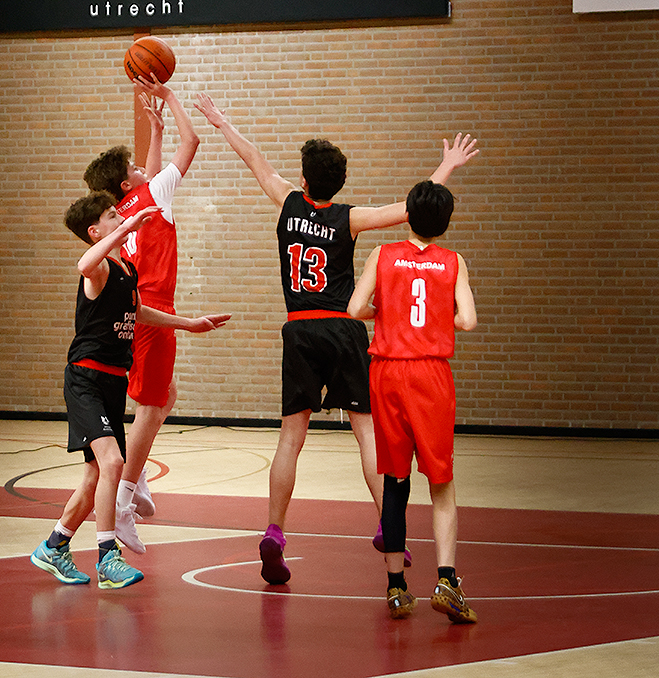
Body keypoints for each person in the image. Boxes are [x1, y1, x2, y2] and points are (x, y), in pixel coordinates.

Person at [192, 92, 477, 585]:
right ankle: (387, 527)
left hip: (299, 328)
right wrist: (446, 166)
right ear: (340, 183)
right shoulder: (349, 217)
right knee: (366, 432)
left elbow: (254, 158)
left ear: (303, 180)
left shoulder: (286, 201)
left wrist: (221, 122)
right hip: (344, 328)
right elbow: (410, 210)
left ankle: (275, 530)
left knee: (290, 438)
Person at [30, 193, 230, 589]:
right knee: (113, 463)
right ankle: (108, 556)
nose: (121, 218)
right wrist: (129, 226)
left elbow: (136, 312)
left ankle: (54, 546)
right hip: (86, 379)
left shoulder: (126, 269)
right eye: (112, 216)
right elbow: (83, 264)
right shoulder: (99, 268)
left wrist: (188, 323)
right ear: (95, 231)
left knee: (95, 476)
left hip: (112, 381)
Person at [348, 180, 479, 623]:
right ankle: (447, 581)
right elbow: (468, 320)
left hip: (386, 373)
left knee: (395, 480)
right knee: (441, 482)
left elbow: (355, 309)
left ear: (408, 215)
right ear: (445, 222)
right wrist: (437, 318)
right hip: (430, 375)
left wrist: (388, 313)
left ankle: (396, 588)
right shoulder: (453, 261)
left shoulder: (382, 255)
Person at [82, 77, 199, 554]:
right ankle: (124, 500)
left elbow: (147, 174)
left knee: (165, 394)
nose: (142, 168)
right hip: (154, 307)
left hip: (136, 308)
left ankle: (137, 475)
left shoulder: (126, 207)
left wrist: (155, 129)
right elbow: (192, 143)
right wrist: (170, 98)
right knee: (152, 404)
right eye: (134, 167)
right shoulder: (154, 196)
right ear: (127, 184)